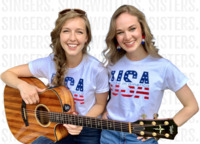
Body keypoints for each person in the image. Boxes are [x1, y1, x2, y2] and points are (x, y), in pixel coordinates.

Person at [1, 8, 109, 144]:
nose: (72, 38)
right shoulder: (49, 63)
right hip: (54, 125)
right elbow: (6, 74)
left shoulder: (97, 70)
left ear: (86, 38)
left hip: (88, 129)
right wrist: (22, 86)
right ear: (59, 35)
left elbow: (100, 104)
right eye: (66, 31)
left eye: (79, 32)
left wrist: (80, 123)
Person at [100, 5, 199, 144]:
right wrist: (104, 110)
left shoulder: (163, 66)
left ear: (142, 29)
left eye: (132, 29)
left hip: (141, 138)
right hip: (109, 135)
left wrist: (163, 128)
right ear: (115, 37)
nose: (127, 36)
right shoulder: (112, 63)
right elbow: (104, 95)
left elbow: (192, 106)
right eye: (120, 32)